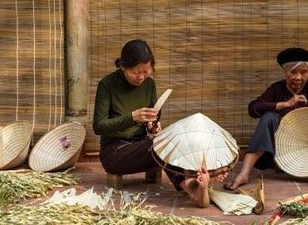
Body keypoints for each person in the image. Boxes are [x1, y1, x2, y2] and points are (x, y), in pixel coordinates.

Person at [92, 39, 222, 207]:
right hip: (115, 152)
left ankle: (196, 182)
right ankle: (191, 188)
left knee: (170, 138)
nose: (141, 77)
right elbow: (99, 126)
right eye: (135, 72)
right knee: (157, 146)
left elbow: (152, 118)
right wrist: (133, 117)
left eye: (146, 71)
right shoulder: (107, 84)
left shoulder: (149, 84)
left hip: (142, 146)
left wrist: (153, 125)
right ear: (123, 66)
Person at [225, 47, 308, 190]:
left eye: (303, 72)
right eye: (293, 72)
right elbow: (253, 108)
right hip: (286, 151)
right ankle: (244, 173)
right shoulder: (277, 88)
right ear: (285, 73)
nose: (298, 77)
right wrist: (285, 104)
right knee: (269, 117)